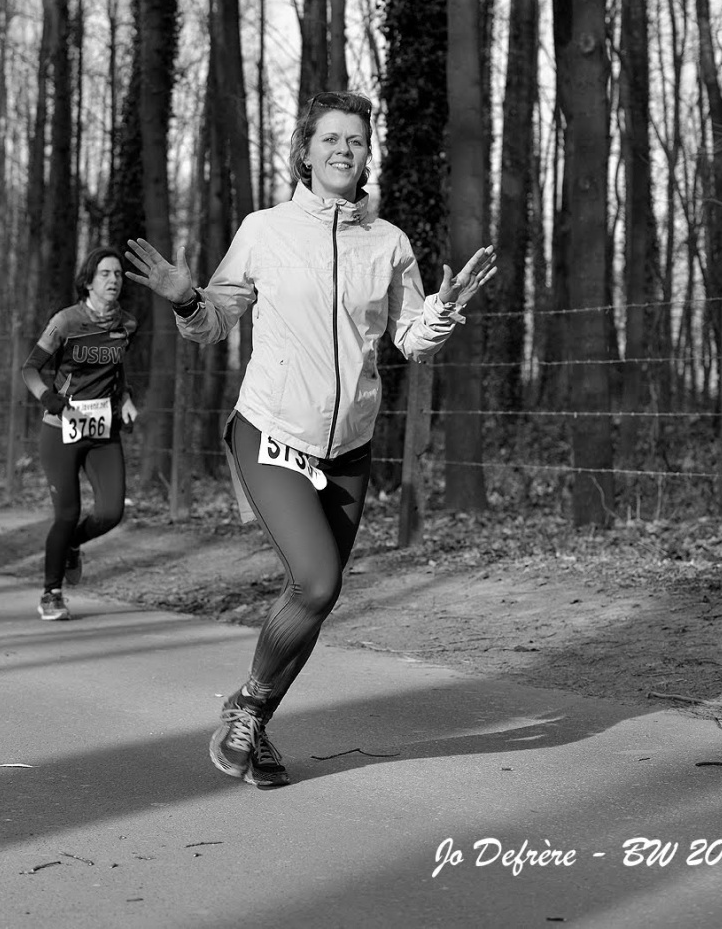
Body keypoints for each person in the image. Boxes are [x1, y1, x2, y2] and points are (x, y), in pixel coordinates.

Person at [125, 91, 495, 788]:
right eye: (331, 138)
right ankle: (248, 709)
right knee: (317, 579)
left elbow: (410, 339)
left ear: (366, 154)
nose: (343, 150)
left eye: (356, 140)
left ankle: (251, 720)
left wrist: (442, 310)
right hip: (271, 431)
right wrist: (186, 297)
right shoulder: (264, 230)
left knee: (317, 596)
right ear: (305, 150)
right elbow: (213, 322)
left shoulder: (388, 243)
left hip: (349, 445)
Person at [22, 247, 138, 622]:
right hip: (61, 429)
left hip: (102, 429)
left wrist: (126, 398)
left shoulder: (127, 324)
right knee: (67, 513)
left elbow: (118, 371)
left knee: (111, 512)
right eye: (105, 273)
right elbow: (30, 369)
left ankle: (72, 545)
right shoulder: (66, 321)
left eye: (117, 274)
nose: (113, 280)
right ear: (88, 281)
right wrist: (49, 398)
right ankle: (51, 593)